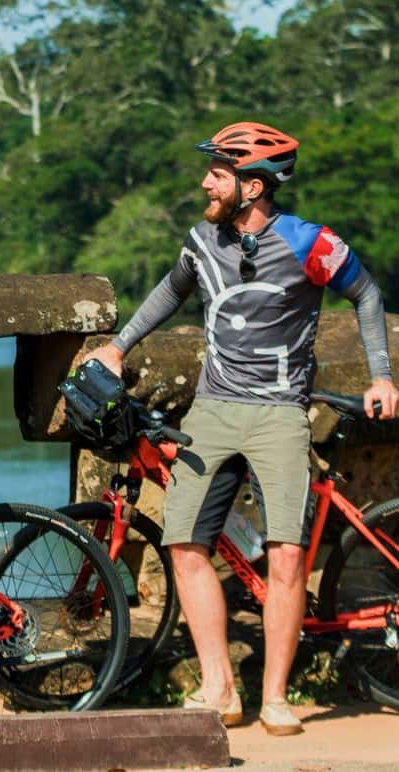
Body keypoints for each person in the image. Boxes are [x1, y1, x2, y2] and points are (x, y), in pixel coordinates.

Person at [87, 122, 398, 736]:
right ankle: (219, 687)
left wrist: (381, 376)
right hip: (212, 411)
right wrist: (118, 347)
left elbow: (366, 295)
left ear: (252, 186)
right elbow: (169, 293)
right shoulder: (203, 240)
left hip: (282, 415)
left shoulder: (310, 242)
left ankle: (277, 699)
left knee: (285, 557)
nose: (205, 181)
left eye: (218, 173)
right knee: (185, 545)